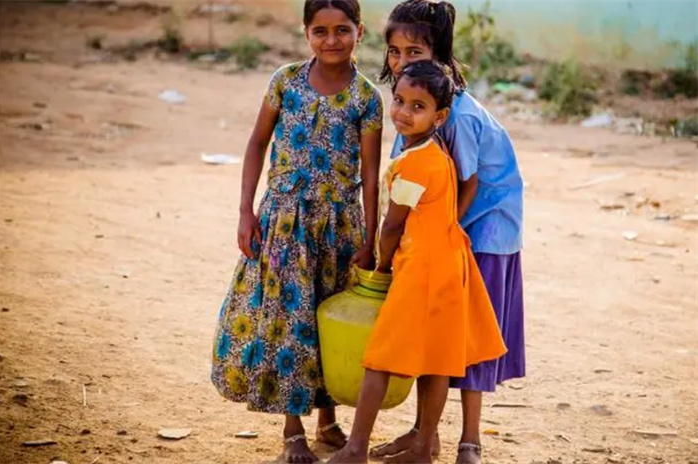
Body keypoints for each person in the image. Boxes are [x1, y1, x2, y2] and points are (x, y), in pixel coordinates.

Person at [210, 1, 383, 462]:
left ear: (360, 32)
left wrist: (370, 239)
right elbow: (256, 143)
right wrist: (246, 212)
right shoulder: (285, 81)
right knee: (290, 323)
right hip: (284, 223)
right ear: (306, 33)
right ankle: (292, 431)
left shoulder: (367, 97)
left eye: (342, 30)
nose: (332, 40)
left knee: (328, 320)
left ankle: (328, 423)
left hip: (340, 228)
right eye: (320, 31)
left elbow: (370, 171)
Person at [369, 1, 526, 463]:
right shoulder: (415, 100)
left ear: (439, 52)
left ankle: (470, 441)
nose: (402, 62)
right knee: (435, 333)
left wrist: (444, 236)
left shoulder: (457, 114)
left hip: (484, 230)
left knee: (468, 338)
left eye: (414, 50)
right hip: (448, 232)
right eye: (394, 52)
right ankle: (425, 436)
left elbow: (470, 182)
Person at [328, 60, 506, 464]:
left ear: (440, 116)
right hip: (449, 265)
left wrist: (381, 263)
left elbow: (392, 226)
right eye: (400, 101)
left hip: (422, 270)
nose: (404, 113)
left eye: (418, 106)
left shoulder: (413, 164)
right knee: (438, 361)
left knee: (379, 359)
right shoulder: (437, 151)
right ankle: (423, 448)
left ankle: (355, 448)